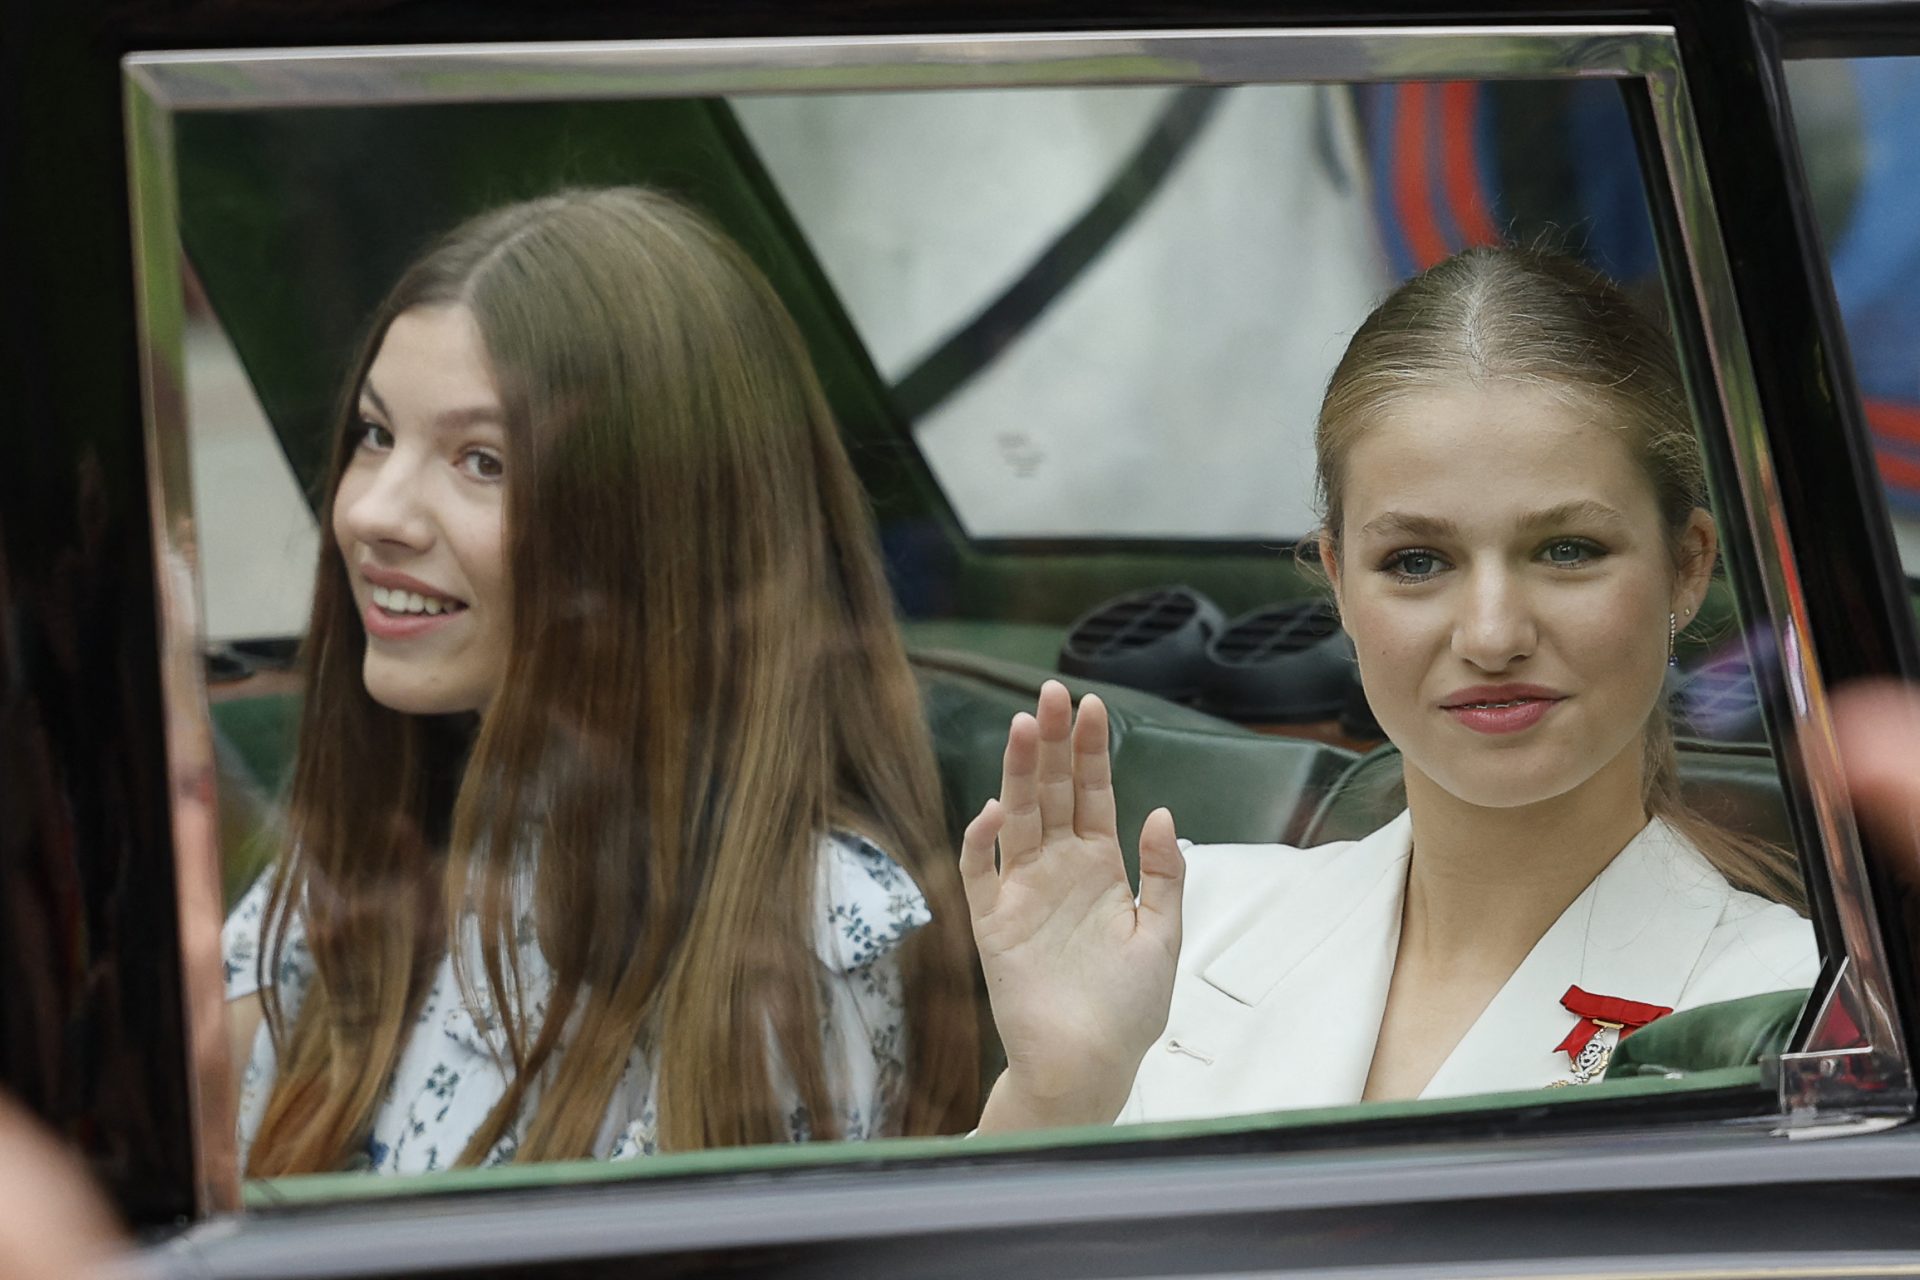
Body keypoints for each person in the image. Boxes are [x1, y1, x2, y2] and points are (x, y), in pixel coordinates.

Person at [961, 247, 1820, 1132]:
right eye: (1417, 561)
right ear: (1338, 579)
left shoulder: (1789, 1014)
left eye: (1567, 550)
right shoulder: (1176, 934)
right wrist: (1056, 1098)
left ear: (1688, 565)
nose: (1492, 635)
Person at [221, 187, 978, 1176]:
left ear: (649, 535)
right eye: (375, 433)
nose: (372, 511)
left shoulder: (787, 939)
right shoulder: (398, 827)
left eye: (481, 460)